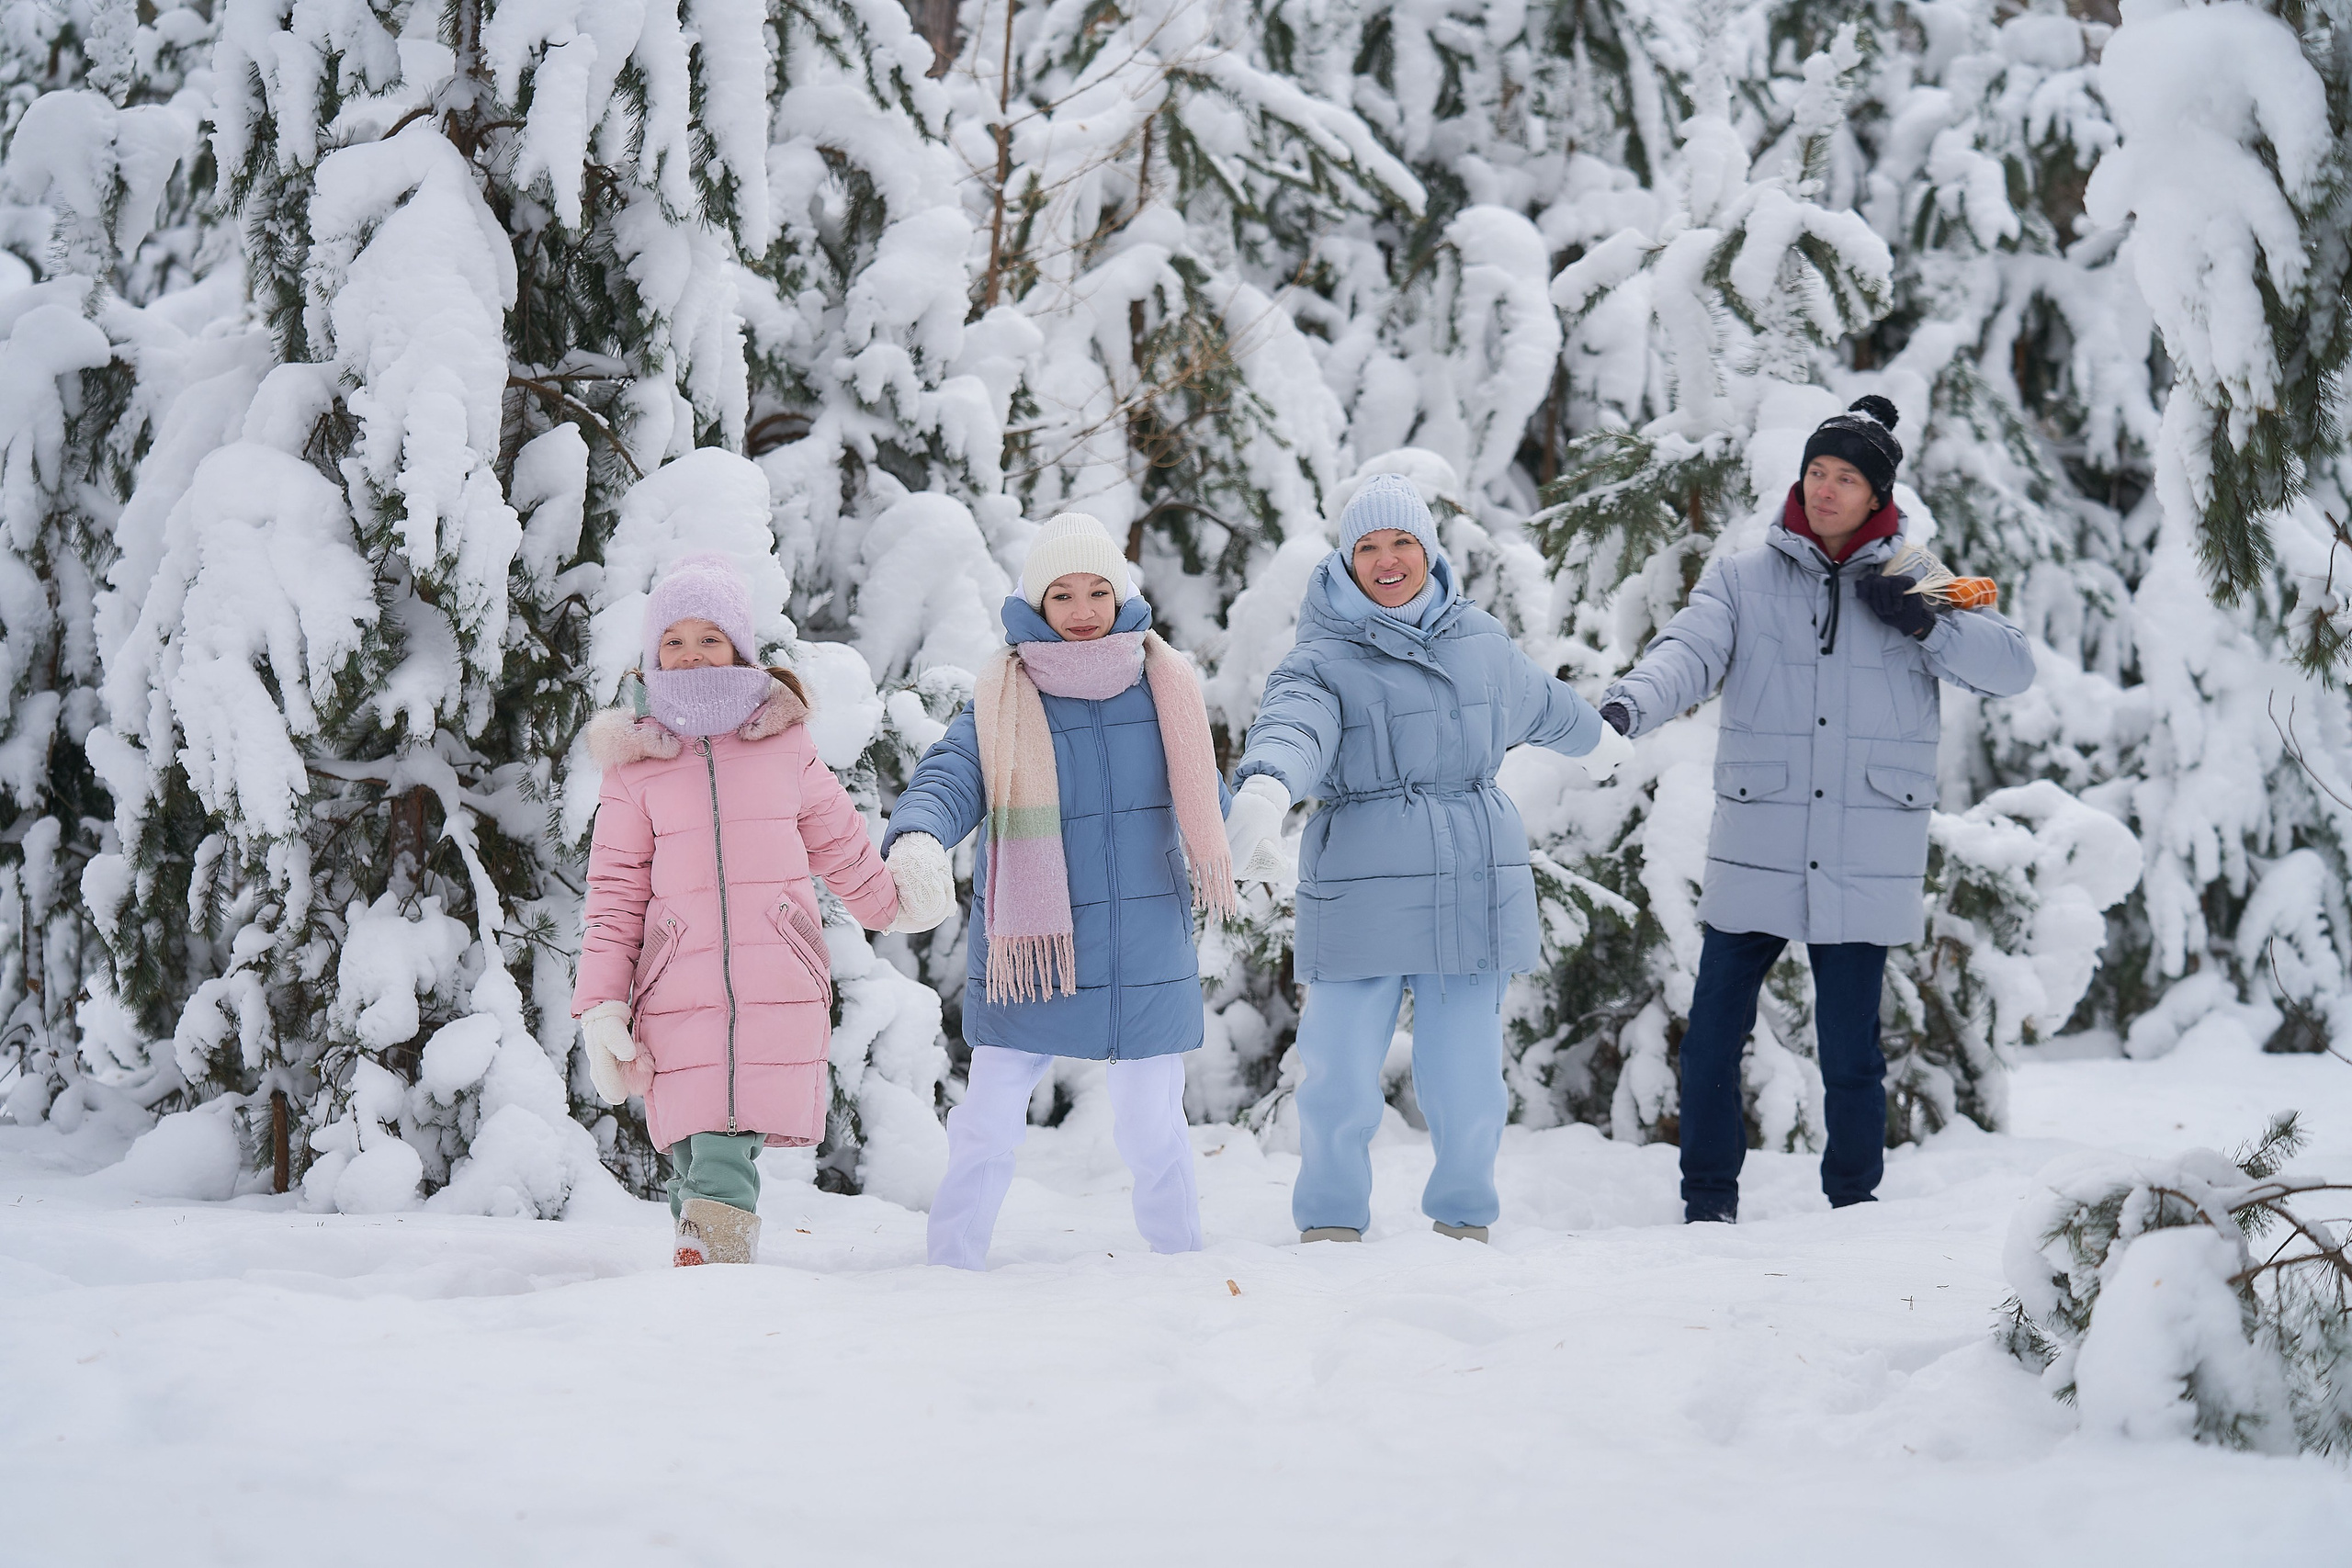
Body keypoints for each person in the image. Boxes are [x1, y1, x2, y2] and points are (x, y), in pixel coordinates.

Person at [1598, 397, 2035, 1224]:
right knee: (1715, 1040)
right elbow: (1685, 655)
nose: (1826, 489)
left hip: (1864, 846)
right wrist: (1625, 708)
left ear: (1877, 496)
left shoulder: (1919, 577)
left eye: (1846, 478)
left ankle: (1853, 1209)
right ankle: (1708, 1205)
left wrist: (1928, 626)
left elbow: (2012, 667)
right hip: (1759, 839)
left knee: (1851, 1055)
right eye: (1816, 473)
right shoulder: (1742, 579)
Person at [1226, 474, 1633, 1245]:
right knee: (1340, 1070)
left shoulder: (1477, 638)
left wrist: (1598, 740)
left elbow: (1539, 700)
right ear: (1347, 560)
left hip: (1472, 873)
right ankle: (1332, 1222)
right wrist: (1268, 786)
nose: (1387, 561)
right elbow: (1294, 728)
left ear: (1429, 548)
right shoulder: (1321, 658)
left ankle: (1464, 1217)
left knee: (1468, 1073)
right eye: (1368, 547)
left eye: (1402, 542)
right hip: (1361, 882)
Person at [881, 513, 1234, 1269]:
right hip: (1031, 949)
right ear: (1036, 605)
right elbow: (951, 775)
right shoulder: (1007, 696)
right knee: (990, 1118)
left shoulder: (1162, 685)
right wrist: (917, 832)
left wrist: (1250, 832)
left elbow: (1207, 792)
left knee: (1153, 1123)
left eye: (1097, 591)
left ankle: (1182, 1264)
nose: (1081, 610)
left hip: (1144, 947)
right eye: (1062, 594)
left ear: (1121, 593)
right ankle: (951, 1266)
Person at [571, 554, 909, 1267]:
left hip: (772, 980)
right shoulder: (634, 762)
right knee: (692, 1147)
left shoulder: (782, 743)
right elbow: (614, 892)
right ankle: (700, 1271)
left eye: (709, 638)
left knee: (724, 1145)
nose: (691, 655)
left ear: (740, 648)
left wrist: (894, 900)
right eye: (674, 641)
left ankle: (714, 1276)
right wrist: (602, 1001)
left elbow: (841, 841)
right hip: (676, 989)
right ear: (650, 653)